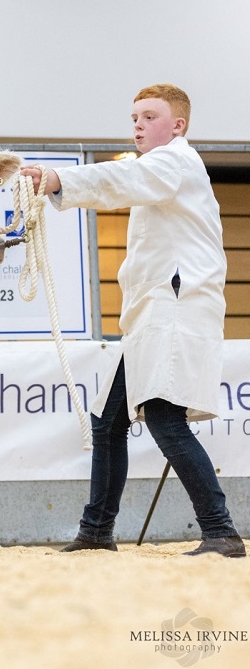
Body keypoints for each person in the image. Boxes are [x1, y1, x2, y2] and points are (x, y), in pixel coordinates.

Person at [20, 83, 245, 558]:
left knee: (165, 419)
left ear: (177, 125)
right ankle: (98, 530)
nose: (138, 125)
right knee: (108, 421)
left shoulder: (174, 163)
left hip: (175, 310)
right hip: (154, 316)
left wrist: (58, 179)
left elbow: (117, 183)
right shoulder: (160, 173)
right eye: (134, 118)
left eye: (148, 116)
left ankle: (221, 531)